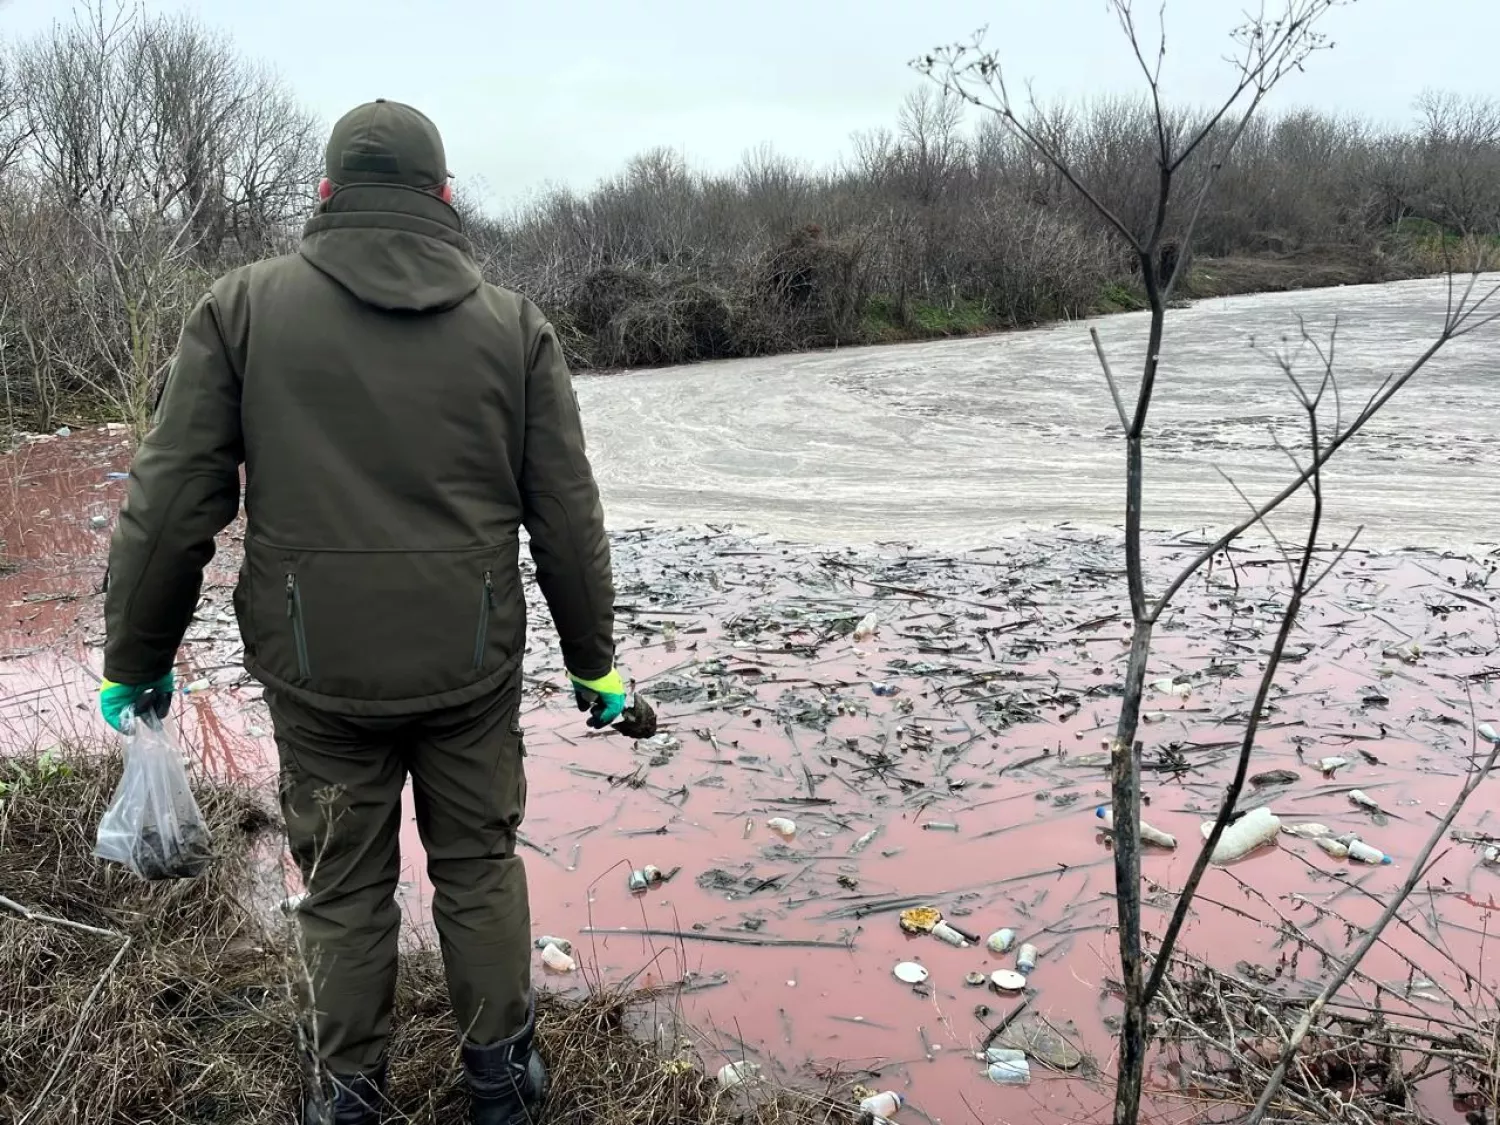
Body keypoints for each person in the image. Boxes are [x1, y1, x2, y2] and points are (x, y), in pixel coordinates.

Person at [98, 99, 627, 1125]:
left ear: (327, 194)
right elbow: (566, 515)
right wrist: (593, 663)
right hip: (468, 663)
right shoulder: (514, 328)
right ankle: (502, 1086)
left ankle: (348, 1097)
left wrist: (137, 655)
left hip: (318, 666)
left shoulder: (241, 309)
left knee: (341, 888)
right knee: (477, 870)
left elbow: (169, 508)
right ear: (445, 196)